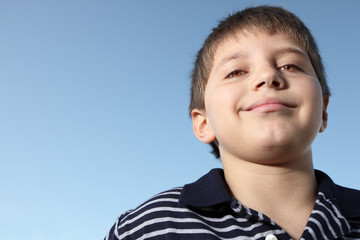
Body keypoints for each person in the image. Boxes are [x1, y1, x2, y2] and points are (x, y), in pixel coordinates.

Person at [104, 6, 360, 240]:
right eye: (236, 71)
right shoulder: (145, 228)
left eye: (290, 65)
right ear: (203, 124)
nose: (268, 76)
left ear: (324, 112)